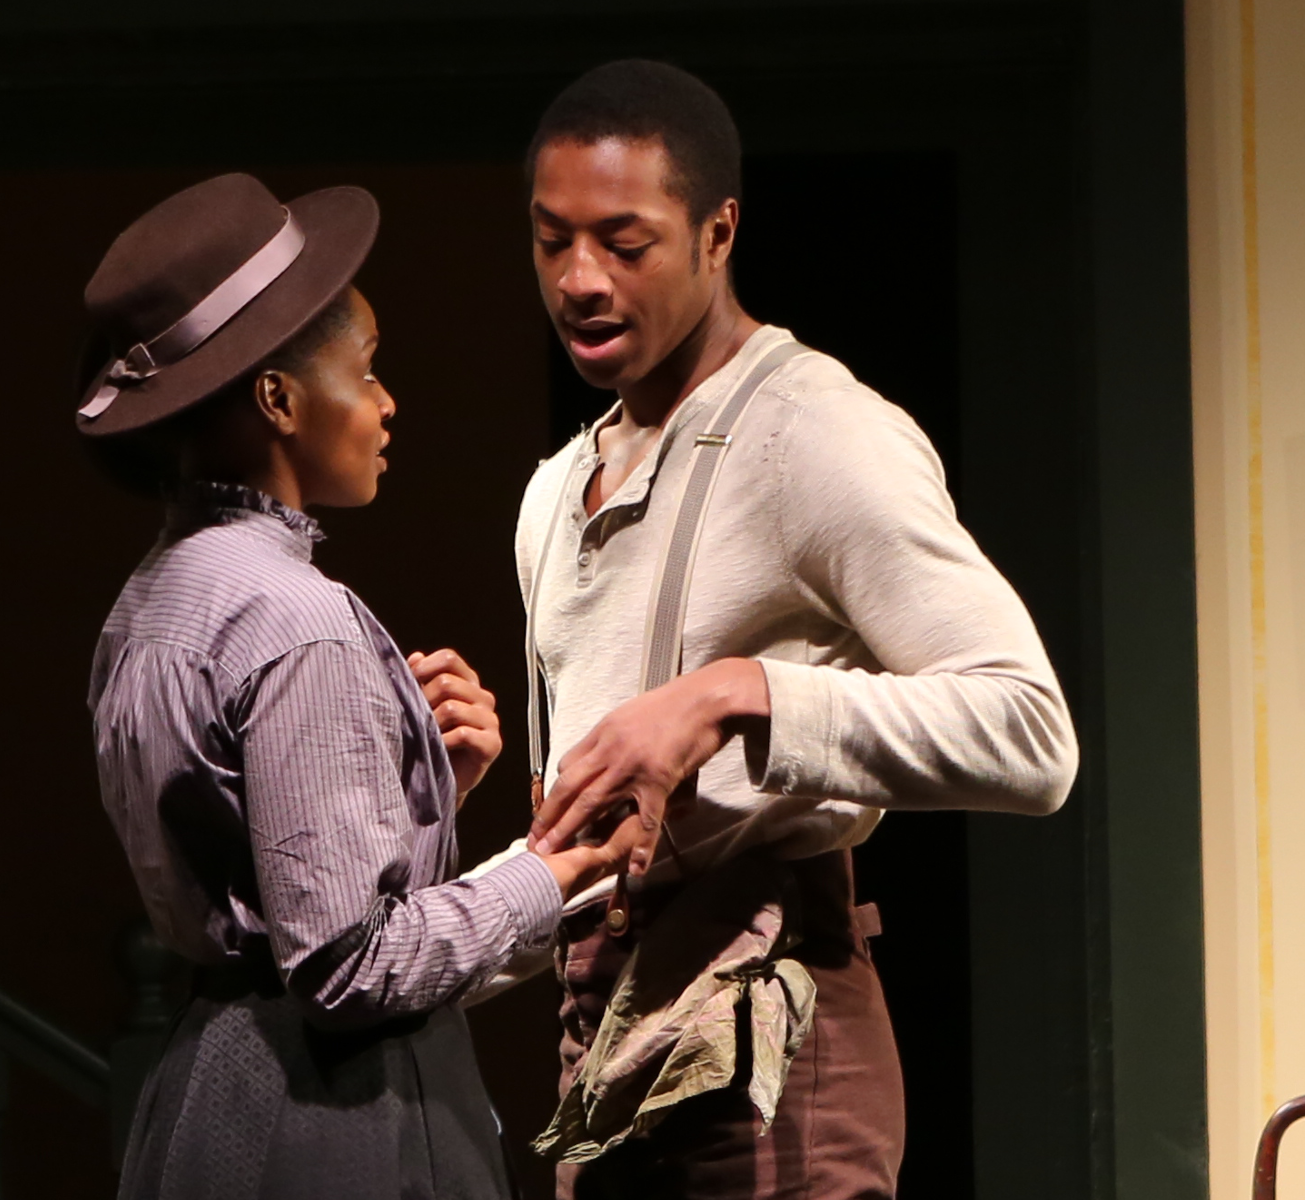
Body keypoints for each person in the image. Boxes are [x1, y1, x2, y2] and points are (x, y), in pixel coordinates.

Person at [509, 61, 1080, 1199]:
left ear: (718, 233)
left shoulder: (813, 434)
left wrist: (740, 693)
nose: (580, 280)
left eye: (625, 243)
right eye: (551, 239)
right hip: (603, 1038)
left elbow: (1029, 732)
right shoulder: (557, 487)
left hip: (771, 1035)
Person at [77, 173, 637, 1200]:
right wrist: (547, 875)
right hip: (331, 1122)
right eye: (366, 369)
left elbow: (255, 864)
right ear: (280, 400)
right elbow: (346, 967)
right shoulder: (297, 619)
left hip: (209, 1098)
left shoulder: (149, 600)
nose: (386, 402)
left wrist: (414, 787)